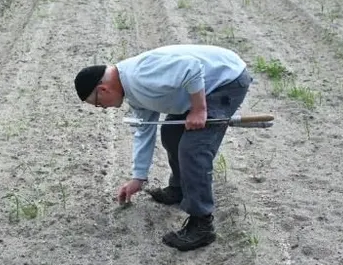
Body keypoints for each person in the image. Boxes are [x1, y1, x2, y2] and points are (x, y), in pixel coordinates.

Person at [74, 44, 253, 251]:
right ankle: (180, 189)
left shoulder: (141, 75)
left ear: (102, 89)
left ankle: (202, 224)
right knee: (170, 134)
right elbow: (144, 130)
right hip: (198, 86)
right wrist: (138, 178)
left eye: (98, 103)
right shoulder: (132, 90)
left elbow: (192, 67)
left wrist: (199, 109)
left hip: (226, 80)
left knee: (193, 149)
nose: (102, 108)